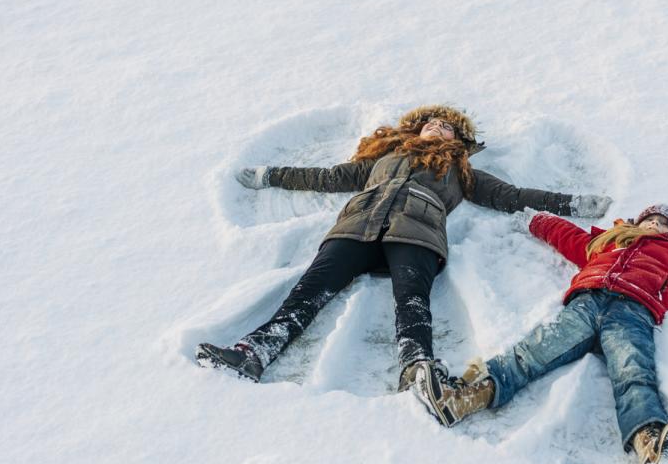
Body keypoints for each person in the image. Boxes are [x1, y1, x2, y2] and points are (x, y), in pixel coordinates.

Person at [195, 105, 614, 404]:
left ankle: (417, 366)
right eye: (432, 122)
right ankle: (254, 352)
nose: (438, 127)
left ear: (459, 141)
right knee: (310, 289)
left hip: (418, 230)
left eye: (448, 127)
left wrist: (573, 203)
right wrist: (270, 175)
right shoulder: (382, 158)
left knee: (412, 299)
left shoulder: (460, 170)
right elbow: (325, 178)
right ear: (417, 128)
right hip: (357, 224)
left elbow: (512, 196)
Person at [414, 203, 668, 464]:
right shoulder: (605, 243)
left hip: (634, 312)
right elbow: (565, 235)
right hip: (586, 303)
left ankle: (649, 440)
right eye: (651, 220)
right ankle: (463, 397)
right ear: (637, 222)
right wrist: (534, 220)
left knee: (632, 371)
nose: (655, 225)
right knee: (533, 351)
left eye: (663, 224)